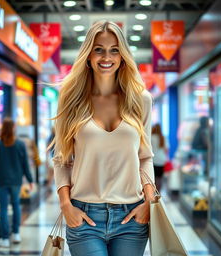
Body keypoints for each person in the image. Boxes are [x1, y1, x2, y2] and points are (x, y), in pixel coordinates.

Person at [52, 20, 155, 256]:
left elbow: (146, 157)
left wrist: (149, 202)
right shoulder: (70, 100)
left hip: (131, 216)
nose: (106, 56)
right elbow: (61, 160)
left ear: (122, 56)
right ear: (88, 55)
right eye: (98, 49)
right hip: (85, 216)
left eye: (114, 49)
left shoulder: (141, 100)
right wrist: (65, 205)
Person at [0, 118, 33, 248]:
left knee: (3, 209)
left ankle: (5, 238)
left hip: (1, 180)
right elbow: (25, 164)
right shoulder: (20, 144)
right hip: (16, 181)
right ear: (13, 128)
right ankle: (17, 234)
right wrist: (30, 180)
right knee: (16, 206)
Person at [151, 123, 167, 191]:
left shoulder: (151, 137)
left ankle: (153, 193)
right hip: (162, 160)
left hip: (154, 160)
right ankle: (159, 193)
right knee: (160, 178)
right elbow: (166, 149)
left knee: (153, 178)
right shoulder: (163, 137)